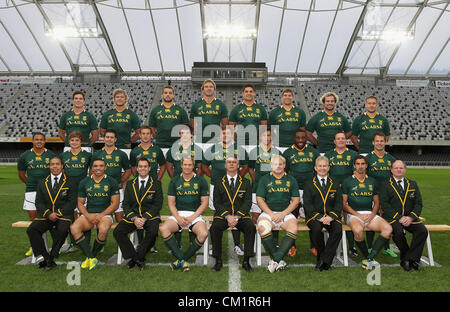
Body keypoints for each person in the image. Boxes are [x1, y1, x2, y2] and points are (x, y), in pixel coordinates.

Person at [203, 126, 249, 255]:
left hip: (235, 185)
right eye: (223, 133)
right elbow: (203, 165)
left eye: (228, 133)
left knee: (235, 211)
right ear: (219, 135)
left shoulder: (239, 149)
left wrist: (239, 177)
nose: (225, 136)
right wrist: (212, 176)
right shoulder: (212, 149)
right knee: (217, 211)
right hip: (217, 186)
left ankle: (237, 244)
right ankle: (214, 244)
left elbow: (245, 165)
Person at [342, 155, 393, 270]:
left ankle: (369, 258)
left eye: (363, 164)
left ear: (366, 165)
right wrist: (358, 215)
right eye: (358, 164)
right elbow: (344, 204)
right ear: (354, 166)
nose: (360, 166)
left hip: (370, 214)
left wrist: (372, 215)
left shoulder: (372, 181)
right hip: (354, 215)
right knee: (358, 231)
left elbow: (377, 202)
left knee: (388, 229)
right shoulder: (347, 181)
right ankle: (368, 257)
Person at [26, 156, 76, 271]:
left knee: (62, 230)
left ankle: (52, 256)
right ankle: (47, 257)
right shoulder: (42, 182)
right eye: (52, 164)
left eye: (57, 164)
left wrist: (57, 213)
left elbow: (72, 202)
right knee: (32, 229)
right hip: (46, 215)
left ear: (62, 166)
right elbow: (38, 202)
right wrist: (49, 214)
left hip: (63, 215)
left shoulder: (70, 181)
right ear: (49, 166)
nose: (55, 166)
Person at [113, 158, 163, 271]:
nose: (143, 168)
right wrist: (134, 218)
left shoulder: (156, 183)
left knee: (153, 232)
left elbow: (157, 204)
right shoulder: (130, 183)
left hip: (150, 216)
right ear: (137, 168)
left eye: (145, 166)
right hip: (133, 216)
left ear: (149, 168)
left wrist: (144, 218)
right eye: (140, 166)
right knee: (118, 232)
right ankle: (135, 257)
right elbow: (125, 204)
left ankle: (138, 256)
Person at [160, 157, 209, 272]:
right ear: (181, 166)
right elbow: (171, 203)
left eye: (189, 165)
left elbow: (205, 203)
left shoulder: (201, 180)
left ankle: (181, 259)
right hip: (178, 214)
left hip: (195, 215)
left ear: (193, 166)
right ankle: (183, 259)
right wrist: (178, 217)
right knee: (164, 229)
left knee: (203, 233)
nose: (187, 167)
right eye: (185, 164)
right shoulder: (174, 180)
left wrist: (193, 217)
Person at [70, 158, 120, 270]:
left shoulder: (112, 181)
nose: (98, 168)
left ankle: (90, 256)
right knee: (74, 228)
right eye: (96, 166)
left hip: (105, 215)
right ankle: (91, 258)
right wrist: (88, 215)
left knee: (103, 230)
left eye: (101, 166)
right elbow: (80, 203)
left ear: (105, 167)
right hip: (89, 214)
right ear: (92, 168)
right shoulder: (84, 182)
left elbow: (115, 204)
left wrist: (101, 215)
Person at [380, 160, 427, 272]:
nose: (399, 170)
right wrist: (399, 217)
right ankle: (410, 259)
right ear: (391, 170)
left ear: (405, 169)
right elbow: (384, 205)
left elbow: (418, 203)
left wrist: (410, 217)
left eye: (401, 168)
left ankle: (409, 259)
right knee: (399, 233)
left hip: (410, 218)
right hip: (392, 217)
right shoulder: (385, 184)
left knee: (422, 231)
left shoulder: (412, 184)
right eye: (396, 168)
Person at [210, 156, 255, 272]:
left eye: (234, 162)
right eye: (229, 162)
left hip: (241, 216)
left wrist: (237, 216)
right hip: (223, 216)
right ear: (225, 165)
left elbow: (247, 202)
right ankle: (218, 260)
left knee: (250, 226)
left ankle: (246, 260)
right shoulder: (219, 182)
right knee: (215, 228)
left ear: (238, 165)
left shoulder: (245, 182)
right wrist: (228, 216)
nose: (231, 164)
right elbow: (217, 202)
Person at [256, 155, 300, 273]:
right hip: (268, 212)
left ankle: (275, 259)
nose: (278, 166)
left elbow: (296, 200)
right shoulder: (264, 179)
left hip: (285, 213)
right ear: (271, 166)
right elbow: (259, 199)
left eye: (281, 164)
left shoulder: (291, 179)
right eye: (275, 164)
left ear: (284, 165)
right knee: (262, 228)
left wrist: (283, 213)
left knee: (293, 228)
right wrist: (271, 213)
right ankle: (279, 260)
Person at [282, 129, 319, 256]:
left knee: (312, 218)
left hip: (310, 190)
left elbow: (318, 170)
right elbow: (284, 171)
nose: (300, 141)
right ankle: (292, 246)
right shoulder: (288, 152)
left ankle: (314, 246)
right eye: (297, 138)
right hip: (294, 190)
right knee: (292, 218)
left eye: (302, 138)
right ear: (294, 138)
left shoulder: (313, 152)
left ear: (306, 139)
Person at [17, 132, 55, 256]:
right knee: (34, 220)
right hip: (31, 191)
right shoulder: (25, 155)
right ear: (32, 141)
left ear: (45, 141)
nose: (39, 141)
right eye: (36, 139)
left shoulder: (51, 155)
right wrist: (31, 184)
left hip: (48, 192)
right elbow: (21, 174)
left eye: (41, 140)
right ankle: (35, 246)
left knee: (52, 218)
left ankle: (57, 244)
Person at [303, 156, 343, 271]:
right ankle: (322, 257)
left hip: (331, 216)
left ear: (329, 167)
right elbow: (307, 204)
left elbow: (339, 203)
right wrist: (320, 217)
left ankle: (325, 260)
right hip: (314, 216)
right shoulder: (309, 183)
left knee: (337, 230)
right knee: (315, 229)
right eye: (320, 166)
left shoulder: (335, 183)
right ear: (315, 168)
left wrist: (331, 217)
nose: (322, 168)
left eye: (325, 166)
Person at [325, 132, 358, 257]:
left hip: (349, 191)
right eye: (338, 138)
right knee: (332, 218)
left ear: (347, 140)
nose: (340, 140)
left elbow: (355, 174)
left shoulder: (353, 154)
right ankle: (332, 246)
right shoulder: (328, 155)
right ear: (334, 141)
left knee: (348, 218)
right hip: (332, 191)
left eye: (343, 138)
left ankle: (351, 246)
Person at [366, 132, 397, 257]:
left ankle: (386, 247)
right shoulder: (368, 158)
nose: (379, 143)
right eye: (377, 141)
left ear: (385, 142)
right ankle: (369, 247)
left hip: (387, 195)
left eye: (381, 141)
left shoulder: (391, 159)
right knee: (371, 219)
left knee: (386, 220)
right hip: (371, 194)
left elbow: (394, 178)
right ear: (373, 142)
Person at [60, 131, 92, 252]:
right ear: (69, 141)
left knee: (85, 215)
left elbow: (92, 171)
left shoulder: (87, 155)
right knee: (71, 215)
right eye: (72, 140)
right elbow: (61, 172)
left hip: (83, 189)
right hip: (69, 190)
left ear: (81, 142)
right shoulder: (64, 155)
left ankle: (86, 242)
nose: (74, 142)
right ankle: (74, 242)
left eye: (77, 140)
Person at [92, 129, 131, 223]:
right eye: (107, 137)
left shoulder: (121, 154)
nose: (109, 139)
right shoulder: (97, 154)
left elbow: (128, 171)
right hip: (101, 190)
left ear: (115, 139)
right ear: (104, 139)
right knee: (101, 218)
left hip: (117, 189)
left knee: (119, 217)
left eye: (111, 137)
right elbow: (91, 171)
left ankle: (120, 237)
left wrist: (119, 181)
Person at [248, 127, 280, 224]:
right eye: (264, 135)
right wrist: (257, 181)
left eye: (269, 135)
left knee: (272, 217)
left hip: (273, 189)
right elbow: (250, 168)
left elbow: (281, 170)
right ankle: (254, 239)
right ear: (260, 137)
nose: (266, 138)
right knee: (255, 217)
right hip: (257, 189)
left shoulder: (277, 152)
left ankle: (271, 239)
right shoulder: (254, 151)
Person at [99, 88, 141, 156]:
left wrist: (129, 142)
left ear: (125, 99)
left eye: (122, 97)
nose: (119, 99)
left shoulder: (132, 114)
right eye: (117, 97)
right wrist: (109, 140)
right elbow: (102, 131)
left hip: (125, 148)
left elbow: (139, 133)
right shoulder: (107, 114)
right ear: (114, 99)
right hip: (110, 148)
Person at [148, 85, 189, 154]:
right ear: (162, 95)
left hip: (176, 146)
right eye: (165, 93)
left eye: (170, 93)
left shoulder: (181, 110)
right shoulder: (155, 110)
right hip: (159, 145)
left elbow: (186, 128)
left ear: (173, 95)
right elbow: (152, 128)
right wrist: (158, 138)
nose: (168, 95)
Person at [189, 79, 228, 146]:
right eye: (206, 87)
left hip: (216, 140)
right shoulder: (196, 105)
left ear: (214, 89)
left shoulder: (221, 105)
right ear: (203, 89)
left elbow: (225, 125)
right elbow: (193, 125)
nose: (208, 88)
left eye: (211, 87)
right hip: (199, 140)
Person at [229, 84, 268, 150]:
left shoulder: (261, 109)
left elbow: (263, 129)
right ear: (243, 93)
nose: (248, 93)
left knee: (254, 160)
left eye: (251, 91)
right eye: (246, 91)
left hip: (255, 144)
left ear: (254, 93)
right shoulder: (236, 109)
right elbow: (231, 128)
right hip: (240, 143)